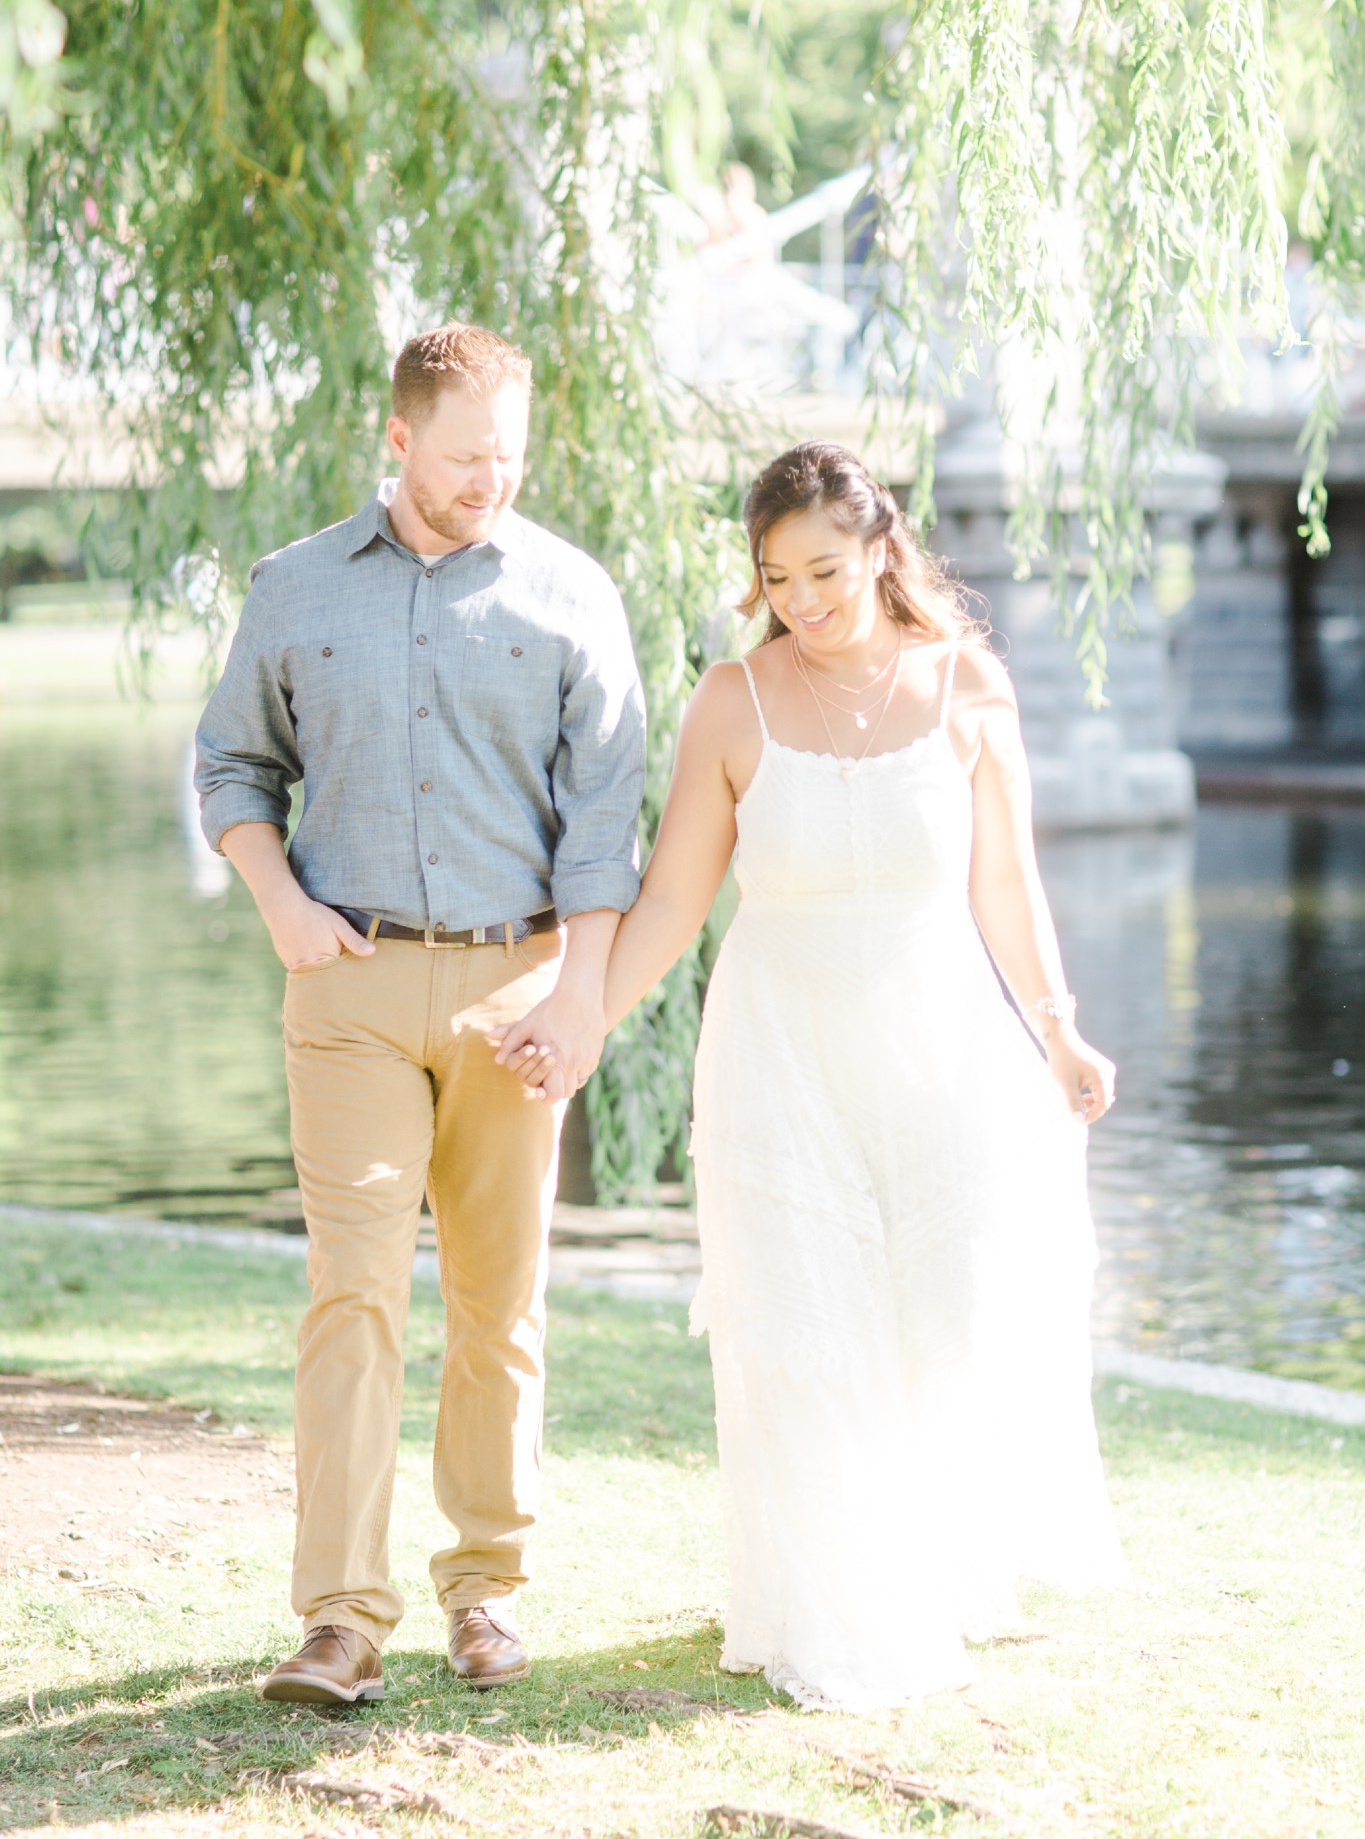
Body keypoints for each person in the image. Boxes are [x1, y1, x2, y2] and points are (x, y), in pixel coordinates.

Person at [499, 438, 1125, 1711]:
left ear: (883, 550)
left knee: (948, 1314)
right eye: (778, 577)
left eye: (825, 570)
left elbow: (1005, 883)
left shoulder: (968, 688)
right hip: (778, 1048)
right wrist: (586, 1020)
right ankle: (830, 1601)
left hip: (943, 1041)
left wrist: (1057, 1027)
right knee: (807, 1330)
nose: (804, 598)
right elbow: (675, 895)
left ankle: (936, 1563)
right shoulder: (733, 700)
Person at [195, 322, 645, 1705]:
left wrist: (581, 992)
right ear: (398, 441)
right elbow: (230, 767)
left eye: (507, 457)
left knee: (501, 1305)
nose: (487, 482)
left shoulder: (574, 596)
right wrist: (277, 901)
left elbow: (606, 825)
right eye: (461, 459)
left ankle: (488, 1592)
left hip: (521, 986)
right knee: (354, 1295)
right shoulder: (292, 588)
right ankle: (339, 1620)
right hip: (351, 987)